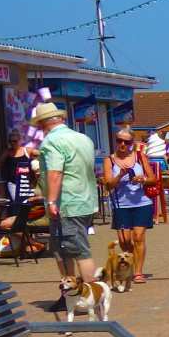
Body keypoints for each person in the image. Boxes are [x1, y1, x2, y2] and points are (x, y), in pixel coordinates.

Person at [35, 100, 109, 318]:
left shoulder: (51, 142)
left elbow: (55, 173)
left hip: (67, 203)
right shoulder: (83, 138)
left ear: (43, 124)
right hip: (86, 200)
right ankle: (71, 293)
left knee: (78, 250)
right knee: (63, 250)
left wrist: (50, 201)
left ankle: (90, 297)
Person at [102, 127, 159, 284]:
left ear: (132, 143)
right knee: (125, 241)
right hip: (120, 204)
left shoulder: (140, 157)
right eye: (119, 141)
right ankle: (130, 262)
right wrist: (119, 175)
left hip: (142, 202)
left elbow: (153, 179)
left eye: (126, 142)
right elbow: (108, 185)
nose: (122, 144)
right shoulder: (110, 160)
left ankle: (138, 272)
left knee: (138, 237)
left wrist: (142, 180)